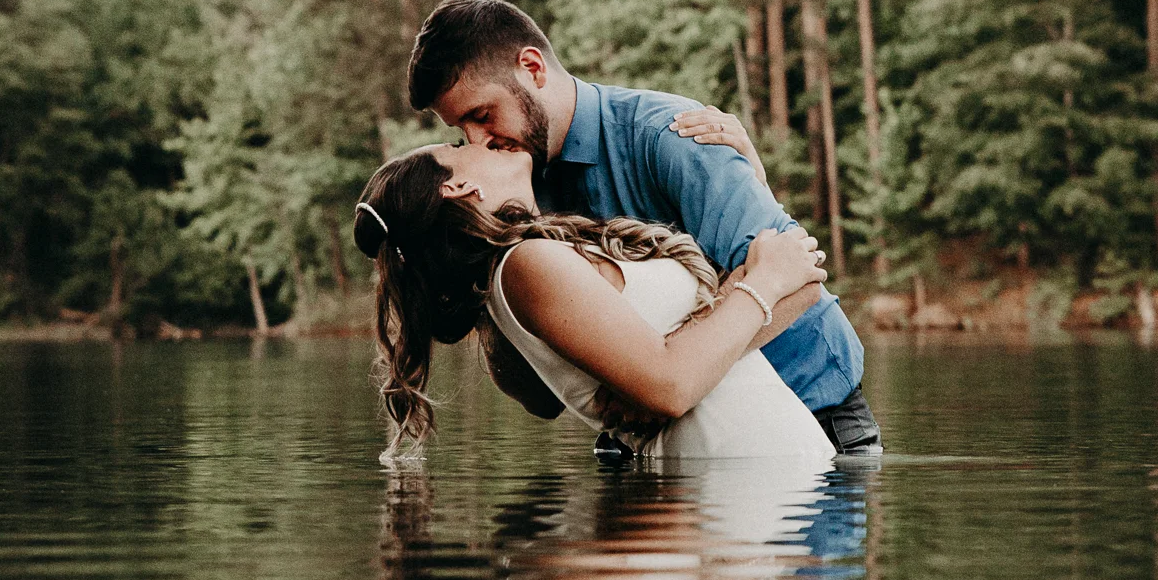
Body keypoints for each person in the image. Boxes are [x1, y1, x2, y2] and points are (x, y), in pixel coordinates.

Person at [405, 0, 883, 454]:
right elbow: (542, 400)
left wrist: (655, 385)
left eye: (483, 116)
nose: (479, 142)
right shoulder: (516, 193)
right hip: (657, 449)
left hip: (813, 419)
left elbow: (799, 283)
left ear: (532, 68)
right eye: (461, 131)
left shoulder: (671, 135)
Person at [352, 139, 833, 461]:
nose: (479, 140)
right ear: (456, 186)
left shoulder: (539, 257)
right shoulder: (524, 266)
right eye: (459, 146)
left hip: (771, 486)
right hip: (733, 498)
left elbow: (798, 288)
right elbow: (673, 384)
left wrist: (748, 182)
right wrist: (763, 283)